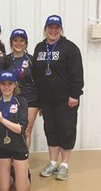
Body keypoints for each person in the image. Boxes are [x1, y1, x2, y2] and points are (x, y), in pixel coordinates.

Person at [33, 15, 84, 180]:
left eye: (56, 28)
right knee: (51, 130)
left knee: (66, 130)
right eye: (50, 27)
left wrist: (74, 95)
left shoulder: (70, 48)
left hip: (66, 99)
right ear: (45, 29)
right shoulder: (39, 48)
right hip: (47, 100)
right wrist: (39, 101)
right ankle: (53, 162)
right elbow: (36, 75)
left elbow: (77, 73)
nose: (53, 30)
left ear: (61, 29)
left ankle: (64, 165)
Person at [0, 69, 30, 191]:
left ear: (15, 85)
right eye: (3, 83)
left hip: (19, 146)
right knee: (3, 190)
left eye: (10, 83)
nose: (6, 87)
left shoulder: (22, 101)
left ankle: (25, 176)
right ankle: (13, 175)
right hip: (2, 147)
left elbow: (20, 129)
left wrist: (1, 118)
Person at [7, 28, 39, 147]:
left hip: (31, 99)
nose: (18, 43)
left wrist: (41, 103)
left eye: (22, 41)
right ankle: (12, 160)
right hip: (12, 98)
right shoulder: (6, 59)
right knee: (12, 130)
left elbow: (39, 81)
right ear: (11, 42)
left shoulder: (32, 60)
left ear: (26, 43)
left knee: (26, 131)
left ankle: (24, 161)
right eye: (15, 40)